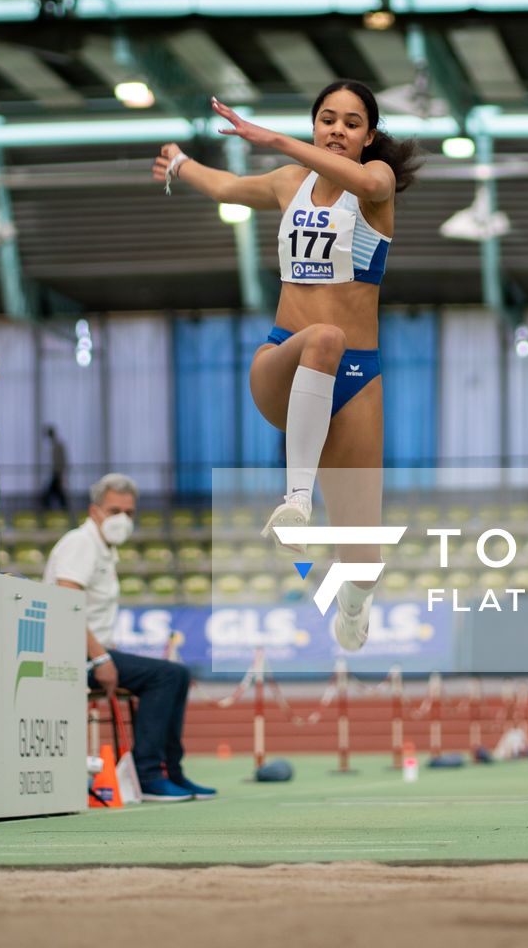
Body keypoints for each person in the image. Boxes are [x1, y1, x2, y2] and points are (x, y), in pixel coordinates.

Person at [153, 83, 419, 652]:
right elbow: (226, 185)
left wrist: (274, 138)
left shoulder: (377, 187)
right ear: (315, 125)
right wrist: (182, 163)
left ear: (369, 136)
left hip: (357, 380)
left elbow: (371, 180)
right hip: (284, 360)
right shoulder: (288, 184)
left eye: (351, 123)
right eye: (327, 120)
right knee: (323, 335)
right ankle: (295, 502)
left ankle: (352, 603)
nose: (337, 131)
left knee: (365, 562)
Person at [45, 473, 214, 803]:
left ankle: (171, 772)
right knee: (168, 675)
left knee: (176, 674)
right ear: (95, 511)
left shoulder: (104, 549)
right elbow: (66, 606)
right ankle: (149, 775)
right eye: (114, 511)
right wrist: (101, 657)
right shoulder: (80, 544)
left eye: (129, 513)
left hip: (93, 651)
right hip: (71, 656)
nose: (122, 519)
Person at [40, 425, 70, 515]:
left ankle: (51, 511)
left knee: (54, 493)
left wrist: (61, 474)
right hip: (56, 472)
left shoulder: (58, 445)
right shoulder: (55, 445)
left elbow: (62, 460)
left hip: (58, 473)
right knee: (57, 493)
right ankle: (63, 510)